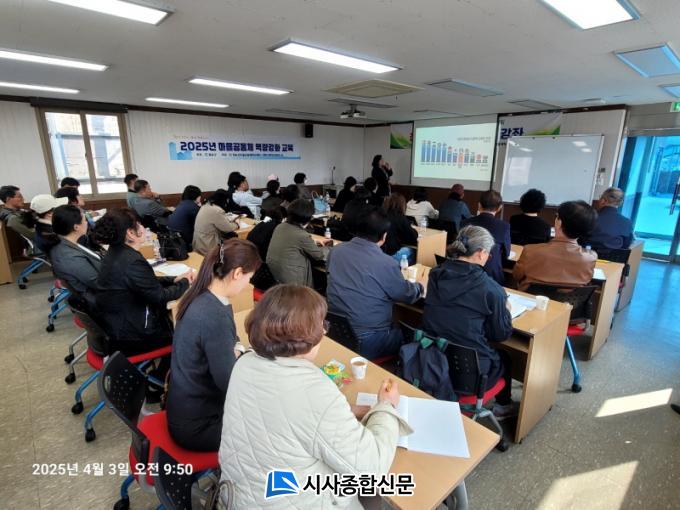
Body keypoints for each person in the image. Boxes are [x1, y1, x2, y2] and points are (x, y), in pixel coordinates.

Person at [219, 284, 408, 510]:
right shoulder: (315, 392)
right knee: (372, 492)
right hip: (292, 501)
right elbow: (372, 469)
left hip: (239, 497)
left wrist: (347, 409)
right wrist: (386, 407)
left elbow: (284, 416)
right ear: (305, 338)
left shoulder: (245, 363)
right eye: (322, 326)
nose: (324, 332)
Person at [167, 239, 261, 452]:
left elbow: (232, 337)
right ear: (237, 273)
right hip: (199, 426)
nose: (247, 284)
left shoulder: (203, 295)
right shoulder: (213, 315)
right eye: (249, 278)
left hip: (186, 407)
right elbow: (230, 384)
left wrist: (237, 350)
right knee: (272, 423)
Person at [422, 226, 516, 418]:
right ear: (480, 253)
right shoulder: (493, 290)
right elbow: (501, 334)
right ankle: (503, 407)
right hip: (469, 376)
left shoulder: (436, 274)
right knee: (505, 356)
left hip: (432, 360)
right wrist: (506, 311)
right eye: (488, 254)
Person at [327, 207, 426, 359]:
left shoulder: (335, 251)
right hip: (367, 340)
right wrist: (421, 286)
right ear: (384, 236)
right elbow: (407, 295)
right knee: (415, 335)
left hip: (335, 331)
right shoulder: (386, 263)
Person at [93, 208, 195, 355]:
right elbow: (160, 297)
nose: (143, 227)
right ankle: (168, 366)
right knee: (187, 332)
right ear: (130, 233)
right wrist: (185, 281)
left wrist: (174, 279)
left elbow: (145, 282)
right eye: (139, 224)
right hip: (134, 335)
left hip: (118, 325)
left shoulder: (116, 252)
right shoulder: (131, 260)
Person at [513, 200, 598, 291]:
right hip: (567, 300)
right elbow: (587, 281)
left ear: (559, 223)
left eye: (557, 216)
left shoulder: (530, 250)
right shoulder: (591, 257)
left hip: (531, 298)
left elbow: (516, 276)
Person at [266, 199, 330, 287]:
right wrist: (329, 248)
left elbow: (291, 243)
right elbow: (319, 255)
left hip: (274, 275)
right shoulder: (302, 235)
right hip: (292, 279)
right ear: (308, 218)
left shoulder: (280, 226)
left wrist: (312, 243)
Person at [49, 205, 102, 307]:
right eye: (85, 220)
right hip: (101, 300)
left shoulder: (66, 242)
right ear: (76, 227)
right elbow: (99, 283)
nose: (87, 222)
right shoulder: (70, 257)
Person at [461, 190, 510, 285]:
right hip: (491, 276)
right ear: (500, 208)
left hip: (465, 273)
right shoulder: (504, 226)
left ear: (479, 205)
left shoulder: (464, 223)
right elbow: (506, 253)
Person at [582, 187, 634, 253]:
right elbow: (626, 245)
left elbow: (579, 240)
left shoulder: (589, 218)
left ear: (603, 200)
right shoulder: (627, 222)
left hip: (587, 256)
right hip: (614, 258)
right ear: (620, 203)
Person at [193, 189, 239, 256]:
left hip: (199, 243)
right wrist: (236, 224)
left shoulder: (206, 205)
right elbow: (228, 228)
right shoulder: (216, 210)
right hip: (208, 245)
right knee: (235, 243)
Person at [383, 193, 418, 265]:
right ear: (402, 205)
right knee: (415, 251)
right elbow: (413, 238)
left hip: (379, 252)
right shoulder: (400, 218)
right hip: (391, 256)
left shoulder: (380, 215)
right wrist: (413, 230)